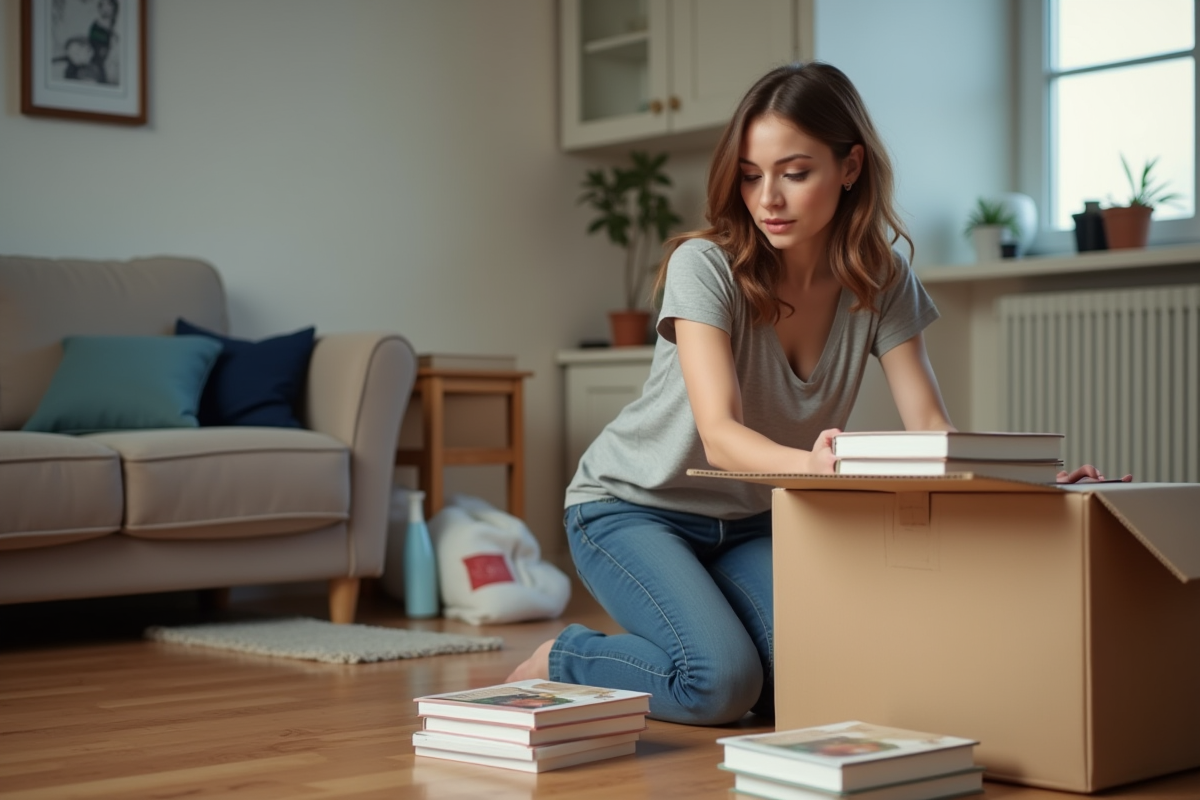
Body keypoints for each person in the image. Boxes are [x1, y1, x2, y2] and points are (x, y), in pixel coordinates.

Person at [506, 61, 1125, 726]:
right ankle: (564, 659)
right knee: (721, 683)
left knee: (811, 681)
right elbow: (719, 435)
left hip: (748, 524)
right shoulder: (704, 266)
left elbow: (930, 430)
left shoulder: (882, 280)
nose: (767, 197)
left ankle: (690, 633)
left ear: (849, 166)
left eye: (794, 172)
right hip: (632, 509)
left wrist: (1029, 481)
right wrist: (815, 467)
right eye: (750, 174)